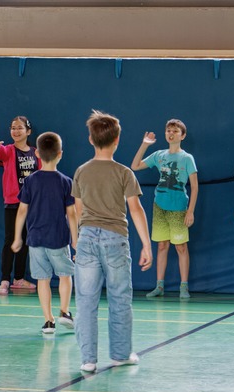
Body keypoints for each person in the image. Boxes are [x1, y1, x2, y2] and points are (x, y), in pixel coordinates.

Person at [72, 110, 153, 373]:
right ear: (117, 140)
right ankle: (120, 354)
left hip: (86, 239)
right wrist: (147, 244)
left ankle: (88, 359)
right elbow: (136, 209)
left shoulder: (82, 172)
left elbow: (78, 210)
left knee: (85, 300)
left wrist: (78, 240)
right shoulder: (124, 173)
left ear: (90, 139)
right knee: (119, 298)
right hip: (116, 239)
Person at [11, 131, 78, 334]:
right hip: (58, 239)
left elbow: (22, 210)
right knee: (65, 275)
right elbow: (72, 214)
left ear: (37, 154)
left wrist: (17, 238)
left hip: (36, 240)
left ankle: (48, 321)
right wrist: (76, 240)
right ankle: (64, 312)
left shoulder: (30, 181)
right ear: (60, 154)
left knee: (43, 279)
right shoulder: (66, 182)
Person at [130, 119, 198, 299]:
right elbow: (135, 166)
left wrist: (190, 211)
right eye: (168, 130)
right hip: (159, 206)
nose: (171, 133)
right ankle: (159, 286)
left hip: (178, 208)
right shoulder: (159, 155)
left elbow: (195, 186)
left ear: (182, 135)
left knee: (181, 247)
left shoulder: (187, 158)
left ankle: (184, 286)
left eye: (175, 131)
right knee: (162, 245)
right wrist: (145, 145)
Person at [0, 116, 41, 295]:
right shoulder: (9, 150)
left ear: (28, 131)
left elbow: (41, 174)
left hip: (31, 204)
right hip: (13, 203)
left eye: (20, 128)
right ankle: (5, 280)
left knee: (25, 242)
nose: (15, 131)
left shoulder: (35, 152)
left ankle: (19, 278)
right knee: (10, 240)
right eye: (13, 128)